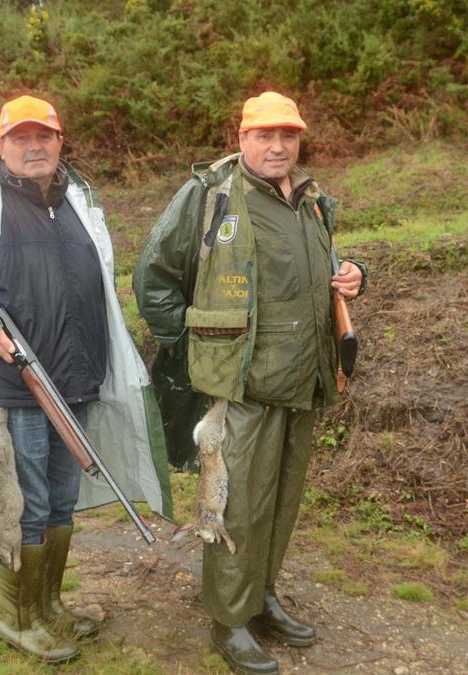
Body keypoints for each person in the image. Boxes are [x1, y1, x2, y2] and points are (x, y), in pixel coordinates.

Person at [0, 95, 173, 664]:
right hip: (11, 386)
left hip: (75, 381)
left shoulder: (78, 204)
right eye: (19, 138)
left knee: (63, 503)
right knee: (25, 506)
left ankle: (49, 608)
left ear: (60, 141)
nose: (33, 146)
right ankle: (17, 619)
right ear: (0, 146)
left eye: (43, 136)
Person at [133, 91, 365, 674]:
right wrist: (193, 351)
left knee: (281, 502)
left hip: (303, 379)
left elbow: (319, 269)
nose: (278, 145)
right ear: (242, 138)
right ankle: (228, 621)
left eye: (288, 135)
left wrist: (353, 275)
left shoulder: (312, 202)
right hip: (240, 387)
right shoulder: (209, 195)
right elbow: (153, 278)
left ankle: (261, 598)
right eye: (265, 135)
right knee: (236, 506)